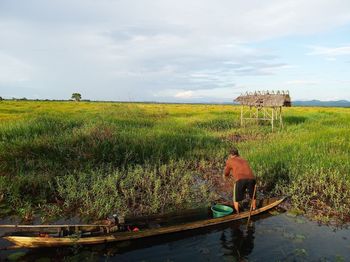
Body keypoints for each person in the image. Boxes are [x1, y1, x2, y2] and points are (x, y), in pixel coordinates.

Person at [223, 147, 256, 213]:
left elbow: (226, 173)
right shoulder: (243, 159)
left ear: (230, 155)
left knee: (236, 199)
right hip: (252, 179)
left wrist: (225, 176)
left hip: (240, 179)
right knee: (253, 195)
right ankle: (254, 209)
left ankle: (237, 213)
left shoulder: (230, 160)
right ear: (237, 154)